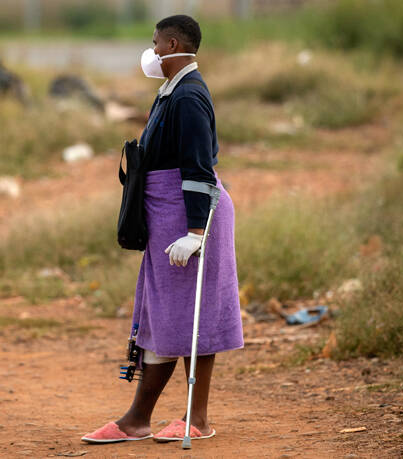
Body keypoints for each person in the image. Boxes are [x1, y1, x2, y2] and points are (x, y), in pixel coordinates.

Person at [82, 14, 244, 444]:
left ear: (172, 44)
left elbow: (197, 169)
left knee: (195, 315)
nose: (151, 51)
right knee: (164, 314)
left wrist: (195, 233)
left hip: (191, 214)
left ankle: (198, 419)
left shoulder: (189, 96)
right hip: (168, 212)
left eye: (155, 43)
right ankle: (137, 419)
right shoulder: (172, 91)